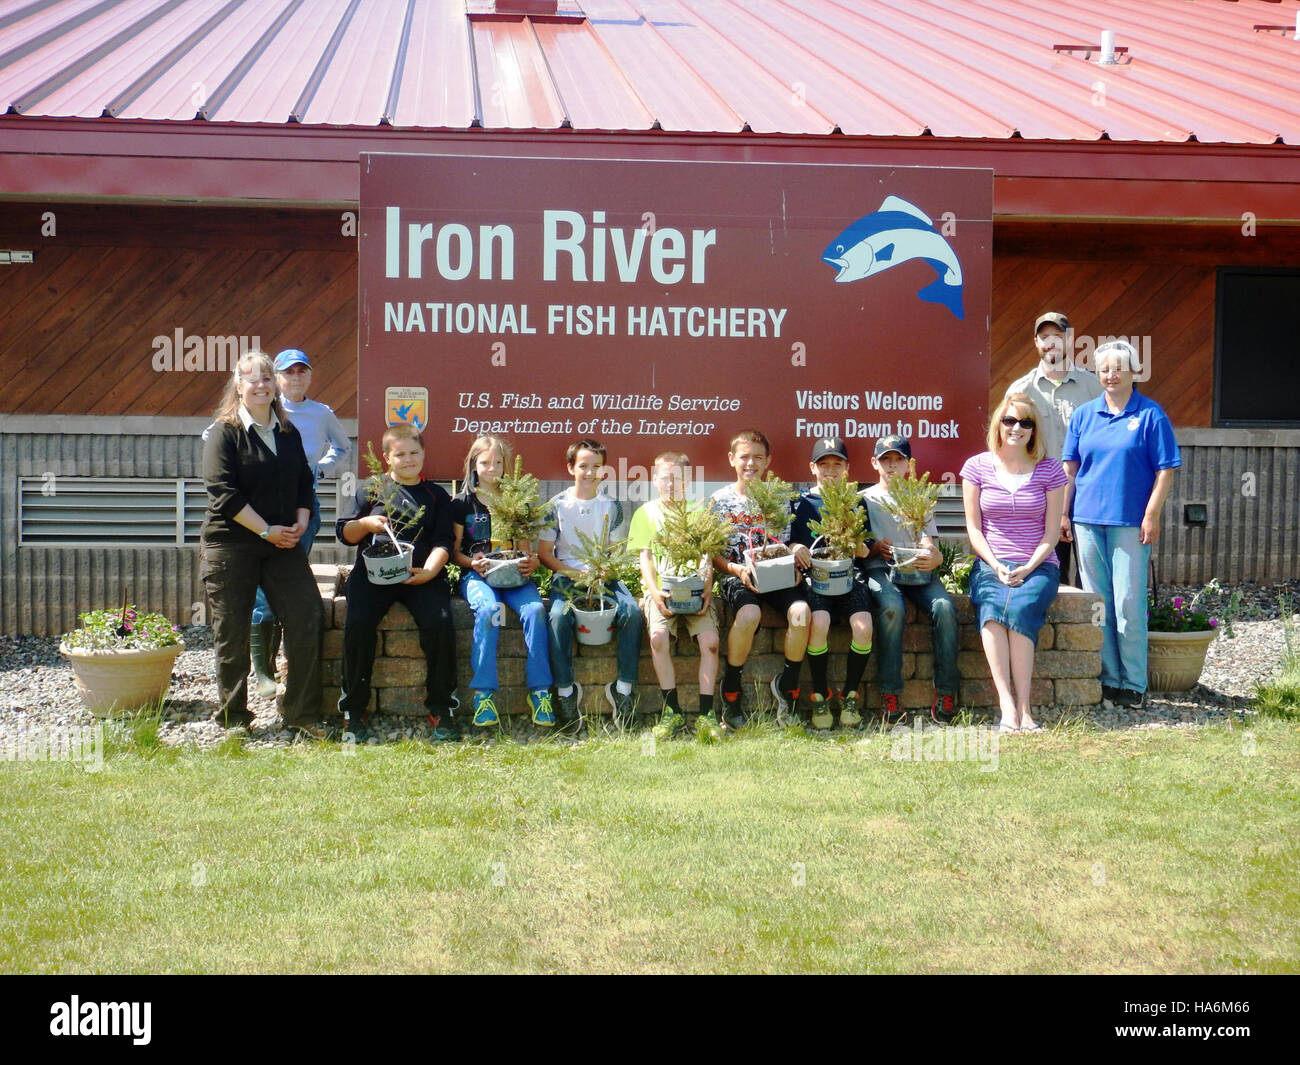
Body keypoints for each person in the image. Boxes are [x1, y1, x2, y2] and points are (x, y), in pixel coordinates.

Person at [200, 350, 324, 735]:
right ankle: (234, 718)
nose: (261, 385)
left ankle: (301, 714)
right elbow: (223, 493)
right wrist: (266, 530)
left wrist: (301, 521)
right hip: (231, 544)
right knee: (232, 631)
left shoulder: (288, 433)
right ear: (238, 386)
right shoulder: (224, 433)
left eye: (267, 378)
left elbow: (304, 482)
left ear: (275, 386)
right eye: (252, 378)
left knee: (307, 616)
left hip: (282, 544)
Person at [1063, 340, 1180, 710]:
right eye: (1104, 369)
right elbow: (1070, 470)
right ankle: (1109, 678)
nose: (1111, 375)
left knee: (1128, 602)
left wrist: (1152, 514)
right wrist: (1063, 513)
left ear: (1134, 372)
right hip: (1086, 521)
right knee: (1099, 603)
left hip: (1130, 522)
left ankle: (1133, 682)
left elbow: (1165, 471)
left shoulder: (1151, 415)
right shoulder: (1084, 415)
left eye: (1118, 368)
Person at [336, 423, 458, 742]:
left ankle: (442, 707)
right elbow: (345, 533)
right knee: (359, 623)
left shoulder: (436, 496)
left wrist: (430, 570)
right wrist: (365, 524)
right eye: (400, 454)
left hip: (420, 574)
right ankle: (353, 709)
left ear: (424, 454)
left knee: (440, 623)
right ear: (387, 457)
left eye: (414, 453)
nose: (408, 459)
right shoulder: (370, 489)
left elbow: (444, 541)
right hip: (373, 574)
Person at [960, 396, 1068, 733]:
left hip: (1039, 563)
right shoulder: (976, 467)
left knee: (1020, 609)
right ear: (998, 424)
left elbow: (1051, 533)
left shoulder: (1050, 470)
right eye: (1009, 420)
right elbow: (974, 530)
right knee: (992, 612)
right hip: (990, 563)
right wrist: (995, 565)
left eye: (1025, 422)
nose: (1016, 428)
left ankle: (1026, 708)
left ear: (1034, 430)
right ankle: (1007, 706)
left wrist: (1029, 567)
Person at [709, 429, 811, 731]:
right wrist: (735, 570)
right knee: (749, 614)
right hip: (739, 575)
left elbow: (788, 543)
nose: (751, 464)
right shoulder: (719, 501)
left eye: (757, 458)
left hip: (776, 574)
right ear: (732, 459)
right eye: (744, 457)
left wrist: (793, 560)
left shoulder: (780, 498)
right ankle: (731, 688)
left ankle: (788, 687)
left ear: (768, 461)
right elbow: (713, 554)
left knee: (801, 613)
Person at [539, 438, 644, 731]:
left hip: (604, 576)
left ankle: (623, 690)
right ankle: (565, 691)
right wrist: (575, 574)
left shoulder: (612, 505)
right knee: (558, 616)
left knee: (633, 613)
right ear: (570, 468)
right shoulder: (556, 506)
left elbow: (614, 551)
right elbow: (545, 554)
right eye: (583, 466)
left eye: (596, 466)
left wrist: (601, 572)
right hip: (567, 577)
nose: (590, 472)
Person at [451, 435, 554, 730]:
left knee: (535, 610)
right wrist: (472, 562)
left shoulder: (515, 501)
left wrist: (531, 561)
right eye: (485, 462)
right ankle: (484, 695)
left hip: (513, 575)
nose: (492, 468)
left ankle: (540, 692)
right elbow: (454, 552)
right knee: (489, 610)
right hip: (479, 575)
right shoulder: (462, 503)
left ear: (507, 466)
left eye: (498, 462)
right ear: (474, 465)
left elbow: (524, 549)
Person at [860, 434, 960, 727]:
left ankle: (947, 691)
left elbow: (929, 541)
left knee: (944, 608)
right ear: (874, 463)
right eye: (885, 460)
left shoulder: (918, 498)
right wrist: (876, 548)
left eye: (898, 460)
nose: (891, 466)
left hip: (916, 568)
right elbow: (859, 548)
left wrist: (932, 556)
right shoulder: (864, 499)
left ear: (908, 465)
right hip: (881, 569)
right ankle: (890, 694)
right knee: (892, 609)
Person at [627, 450, 722, 741]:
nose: (671, 484)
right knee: (658, 639)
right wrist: (654, 593)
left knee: (710, 642)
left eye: (677, 478)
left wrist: (707, 587)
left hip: (695, 590)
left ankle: (706, 714)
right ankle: (672, 711)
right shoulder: (645, 513)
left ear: (688, 480)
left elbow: (707, 555)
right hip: (663, 592)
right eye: (665, 478)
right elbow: (645, 558)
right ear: (655, 479)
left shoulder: (699, 512)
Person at [1004, 312, 1102, 584]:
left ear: (1069, 340)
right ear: (1036, 342)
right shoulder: (1020, 391)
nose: (1051, 343)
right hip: (1040, 495)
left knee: (1091, 578)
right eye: (1044, 337)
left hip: (1088, 493)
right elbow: (1008, 447)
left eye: (1057, 336)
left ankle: (1091, 613)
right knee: (1048, 575)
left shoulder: (1094, 387)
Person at [788, 437, 874, 729]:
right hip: (817, 577)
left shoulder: (856, 502)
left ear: (847, 468)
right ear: (813, 468)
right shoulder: (801, 503)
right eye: (824, 464)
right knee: (820, 622)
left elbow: (866, 546)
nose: (831, 470)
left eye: (838, 464)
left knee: (863, 627)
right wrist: (796, 547)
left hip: (850, 575)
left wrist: (860, 546)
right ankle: (819, 694)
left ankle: (850, 694)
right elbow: (790, 541)